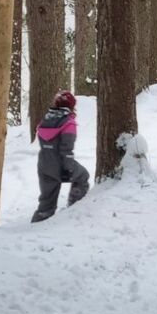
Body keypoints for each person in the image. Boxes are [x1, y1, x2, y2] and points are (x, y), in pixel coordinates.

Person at [32, 90, 90, 223]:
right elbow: (66, 150)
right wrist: (68, 169)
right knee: (83, 176)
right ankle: (73, 211)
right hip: (60, 165)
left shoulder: (45, 120)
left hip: (44, 165)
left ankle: (35, 227)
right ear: (71, 106)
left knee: (46, 204)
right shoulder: (68, 123)